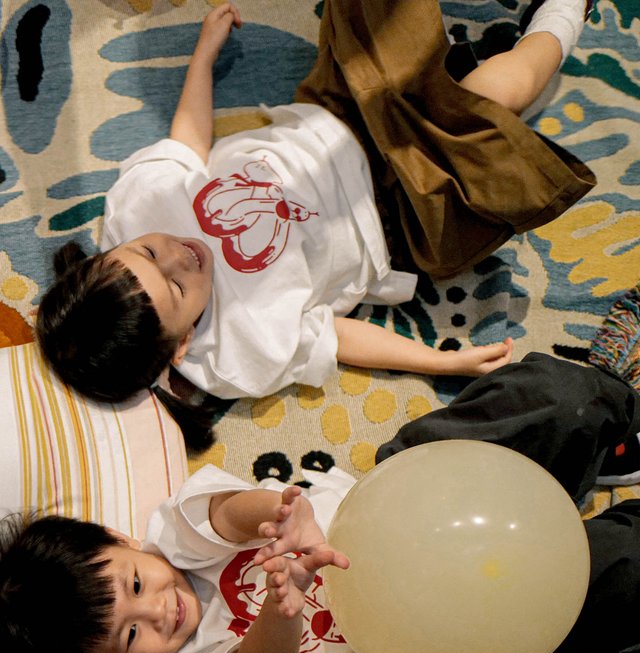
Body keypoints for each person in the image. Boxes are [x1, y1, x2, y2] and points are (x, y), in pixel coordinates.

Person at [35, 0, 596, 449]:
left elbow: (188, 142)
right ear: (181, 345)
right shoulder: (237, 350)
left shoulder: (136, 204)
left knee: (379, 20)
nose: (183, 254)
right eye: (178, 286)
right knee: (497, 98)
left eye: (148, 253)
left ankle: (437, 77)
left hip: (336, 113)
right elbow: (333, 335)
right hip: (400, 211)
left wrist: (202, 59)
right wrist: (440, 360)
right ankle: (565, 13)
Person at [2, 352, 640, 653]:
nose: (156, 609)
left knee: (559, 396)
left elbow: (224, 514)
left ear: (119, 538)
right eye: (129, 636)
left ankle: (599, 443)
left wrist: (280, 515)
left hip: (414, 490)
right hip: (457, 620)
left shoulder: (170, 533)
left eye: (134, 584)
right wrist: (280, 616)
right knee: (624, 573)